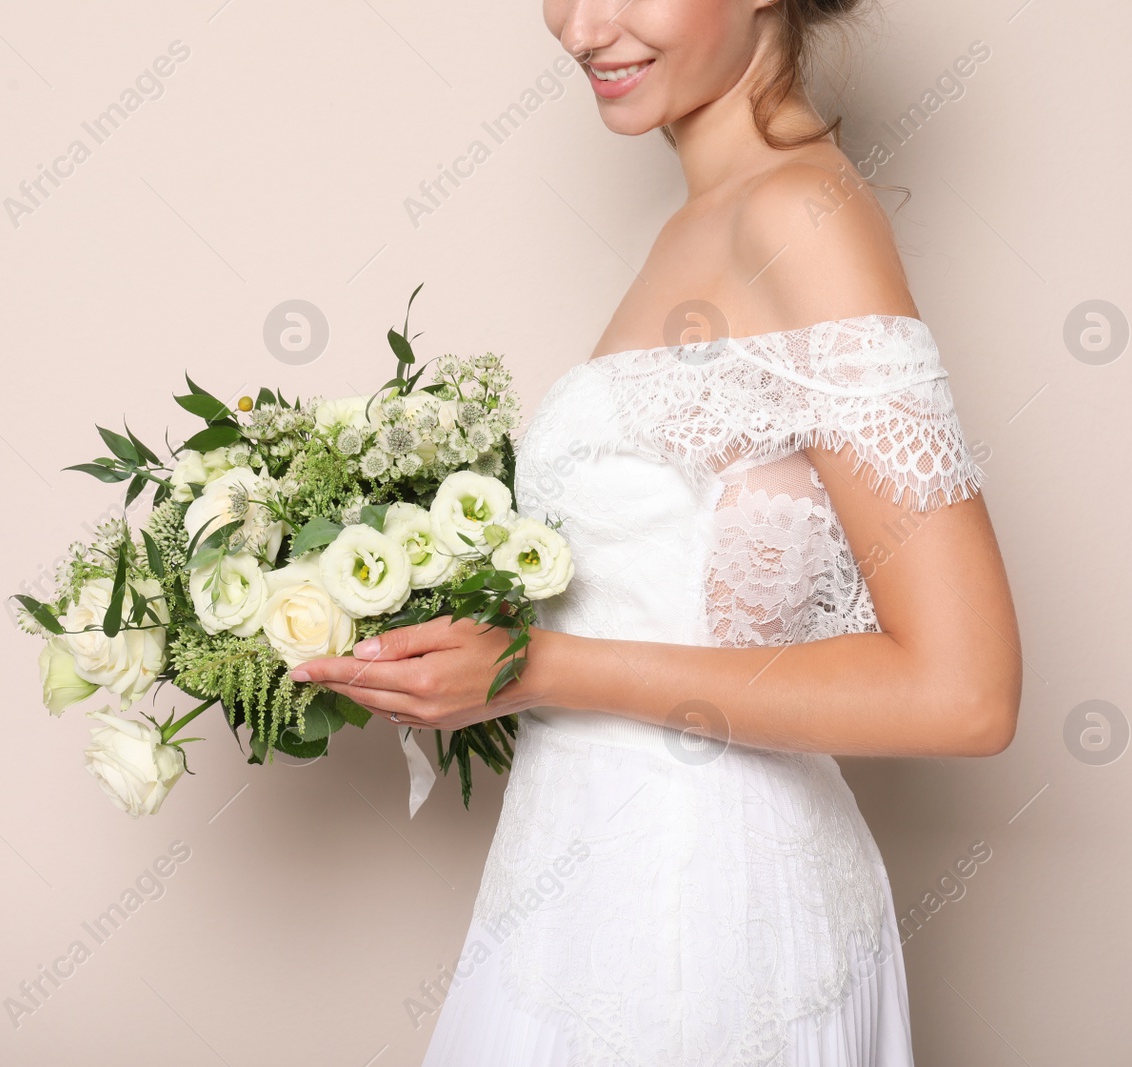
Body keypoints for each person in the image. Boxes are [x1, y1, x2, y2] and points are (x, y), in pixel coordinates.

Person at [291, 1, 1021, 1062]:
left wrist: (538, 665)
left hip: (702, 924)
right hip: (586, 890)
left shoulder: (799, 212)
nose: (584, 28)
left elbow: (965, 692)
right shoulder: (705, 219)